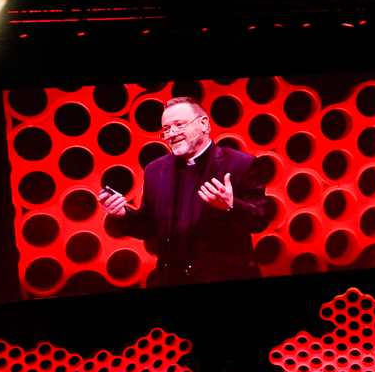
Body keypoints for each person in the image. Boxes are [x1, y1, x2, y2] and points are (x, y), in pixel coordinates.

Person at [98, 97, 273, 286]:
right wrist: (123, 214)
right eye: (166, 129)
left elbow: (261, 219)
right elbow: (149, 226)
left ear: (203, 123)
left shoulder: (241, 164)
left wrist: (231, 206)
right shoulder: (155, 169)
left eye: (179, 125)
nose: (171, 133)